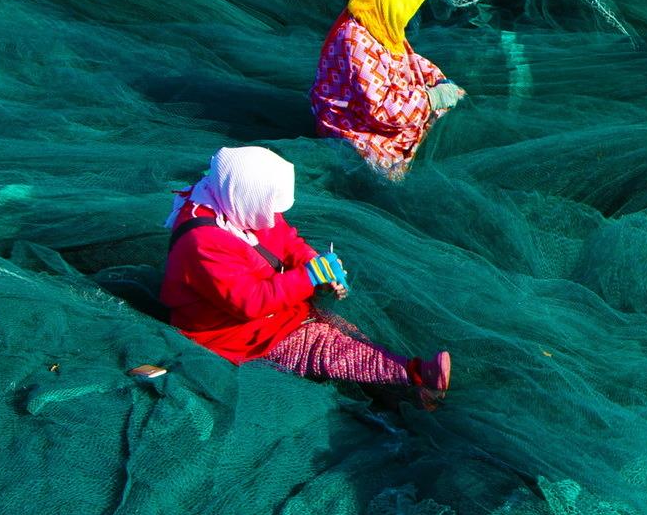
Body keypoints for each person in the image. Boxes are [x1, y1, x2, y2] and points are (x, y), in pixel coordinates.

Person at [161, 146, 452, 407]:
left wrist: (316, 265)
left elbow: (285, 241)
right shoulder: (202, 241)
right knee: (324, 348)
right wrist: (309, 276)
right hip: (230, 334)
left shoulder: (234, 199)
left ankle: (407, 388)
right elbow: (250, 301)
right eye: (269, 207)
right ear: (247, 195)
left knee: (342, 330)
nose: (274, 214)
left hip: (274, 312)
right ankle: (416, 376)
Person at [311, 0, 465, 180]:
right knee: (389, 172)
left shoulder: (377, 21)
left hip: (376, 107)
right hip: (350, 121)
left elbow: (409, 61)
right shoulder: (355, 42)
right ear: (388, 5)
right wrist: (431, 99)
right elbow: (379, 110)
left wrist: (438, 81)